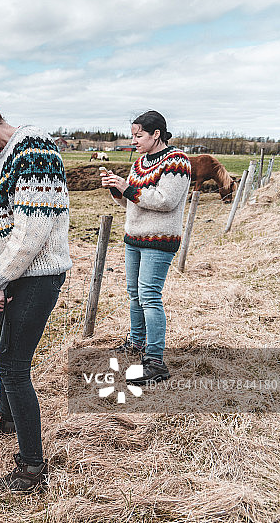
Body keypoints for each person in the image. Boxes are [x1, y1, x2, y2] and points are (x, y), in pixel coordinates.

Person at [0, 89, 72, 492]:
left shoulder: (34, 149)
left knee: (13, 365)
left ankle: (32, 467)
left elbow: (32, 231)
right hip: (13, 272)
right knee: (5, 352)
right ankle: (6, 418)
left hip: (37, 274)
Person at [99, 110, 191, 385]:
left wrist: (128, 188)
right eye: (133, 135)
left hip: (159, 240)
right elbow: (132, 202)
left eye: (139, 135)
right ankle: (137, 343)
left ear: (156, 134)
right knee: (134, 294)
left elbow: (166, 200)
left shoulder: (177, 161)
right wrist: (118, 189)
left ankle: (155, 361)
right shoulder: (139, 164)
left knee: (149, 295)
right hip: (134, 238)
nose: (134, 140)